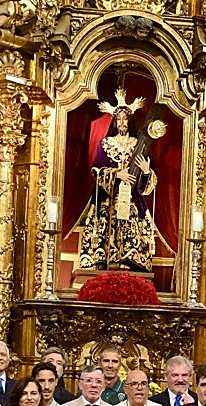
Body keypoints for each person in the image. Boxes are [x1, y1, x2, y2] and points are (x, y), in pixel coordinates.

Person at [78, 89, 159, 273]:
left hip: (131, 199)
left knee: (133, 219)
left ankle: (129, 260)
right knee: (104, 219)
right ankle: (102, 259)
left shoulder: (138, 145)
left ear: (130, 121)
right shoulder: (106, 144)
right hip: (108, 197)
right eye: (119, 119)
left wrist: (146, 172)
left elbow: (148, 179)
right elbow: (96, 170)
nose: (122, 122)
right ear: (115, 121)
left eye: (125, 119)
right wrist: (116, 174)